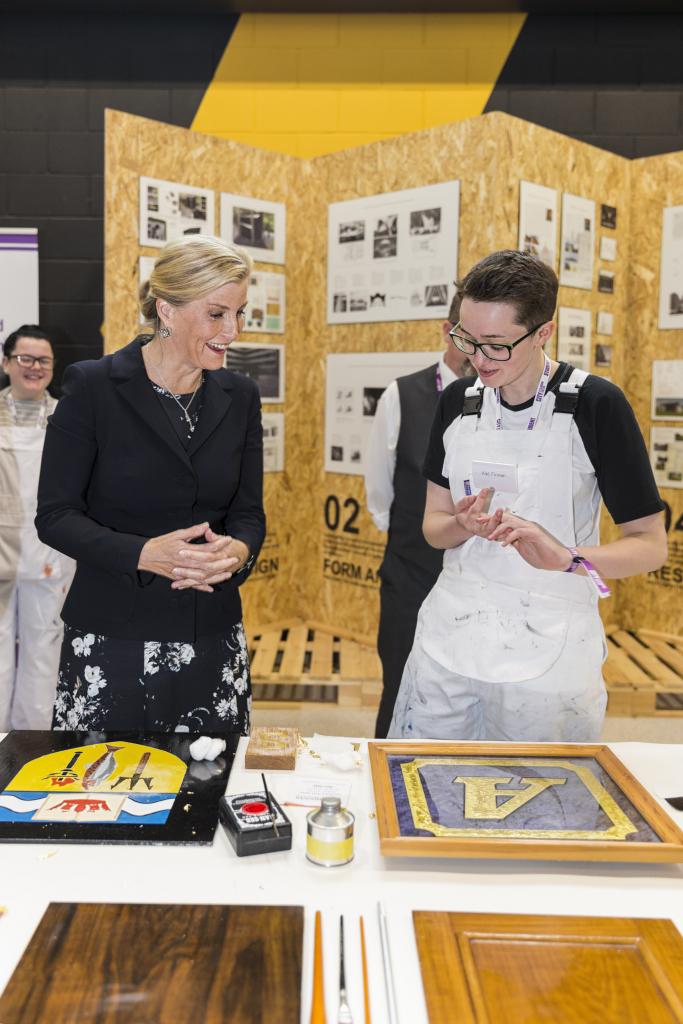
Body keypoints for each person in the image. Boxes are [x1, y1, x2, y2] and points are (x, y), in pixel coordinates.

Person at [389, 250, 667, 742]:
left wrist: (567, 558)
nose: (476, 358)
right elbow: (433, 527)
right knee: (423, 788)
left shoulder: (596, 405)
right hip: (449, 639)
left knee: (541, 798)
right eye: (466, 339)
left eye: (496, 345)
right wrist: (463, 525)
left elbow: (650, 545)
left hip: (550, 648)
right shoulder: (458, 401)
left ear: (543, 332)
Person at [36, 235, 265, 735]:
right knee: (105, 797)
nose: (233, 330)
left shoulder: (241, 396)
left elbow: (249, 511)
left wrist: (238, 551)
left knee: (206, 793)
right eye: (217, 314)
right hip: (112, 637)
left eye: (240, 313)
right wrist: (144, 554)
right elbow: (54, 516)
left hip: (212, 633)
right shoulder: (92, 386)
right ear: (166, 310)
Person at [364, 294, 472, 737]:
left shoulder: (506, 398)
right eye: (470, 338)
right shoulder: (402, 395)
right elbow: (379, 492)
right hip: (412, 576)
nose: (479, 351)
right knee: (400, 690)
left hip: (476, 586)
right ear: (447, 332)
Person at [0, 326, 74, 729]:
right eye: (25, 359)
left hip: (49, 555)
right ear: (6, 362)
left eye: (43, 360)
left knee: (44, 653)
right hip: (0, 557)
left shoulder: (67, 419)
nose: (34, 367)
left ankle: (29, 749)